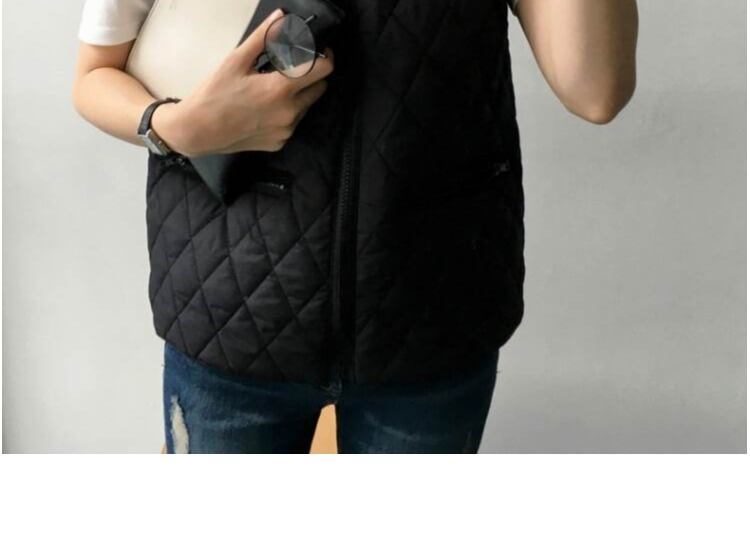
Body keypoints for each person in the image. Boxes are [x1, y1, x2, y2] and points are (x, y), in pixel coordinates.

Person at [72, 0, 639, 454]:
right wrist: (174, 127)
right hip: (227, 316)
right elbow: (95, 76)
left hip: (431, 319)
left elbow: (595, 90)